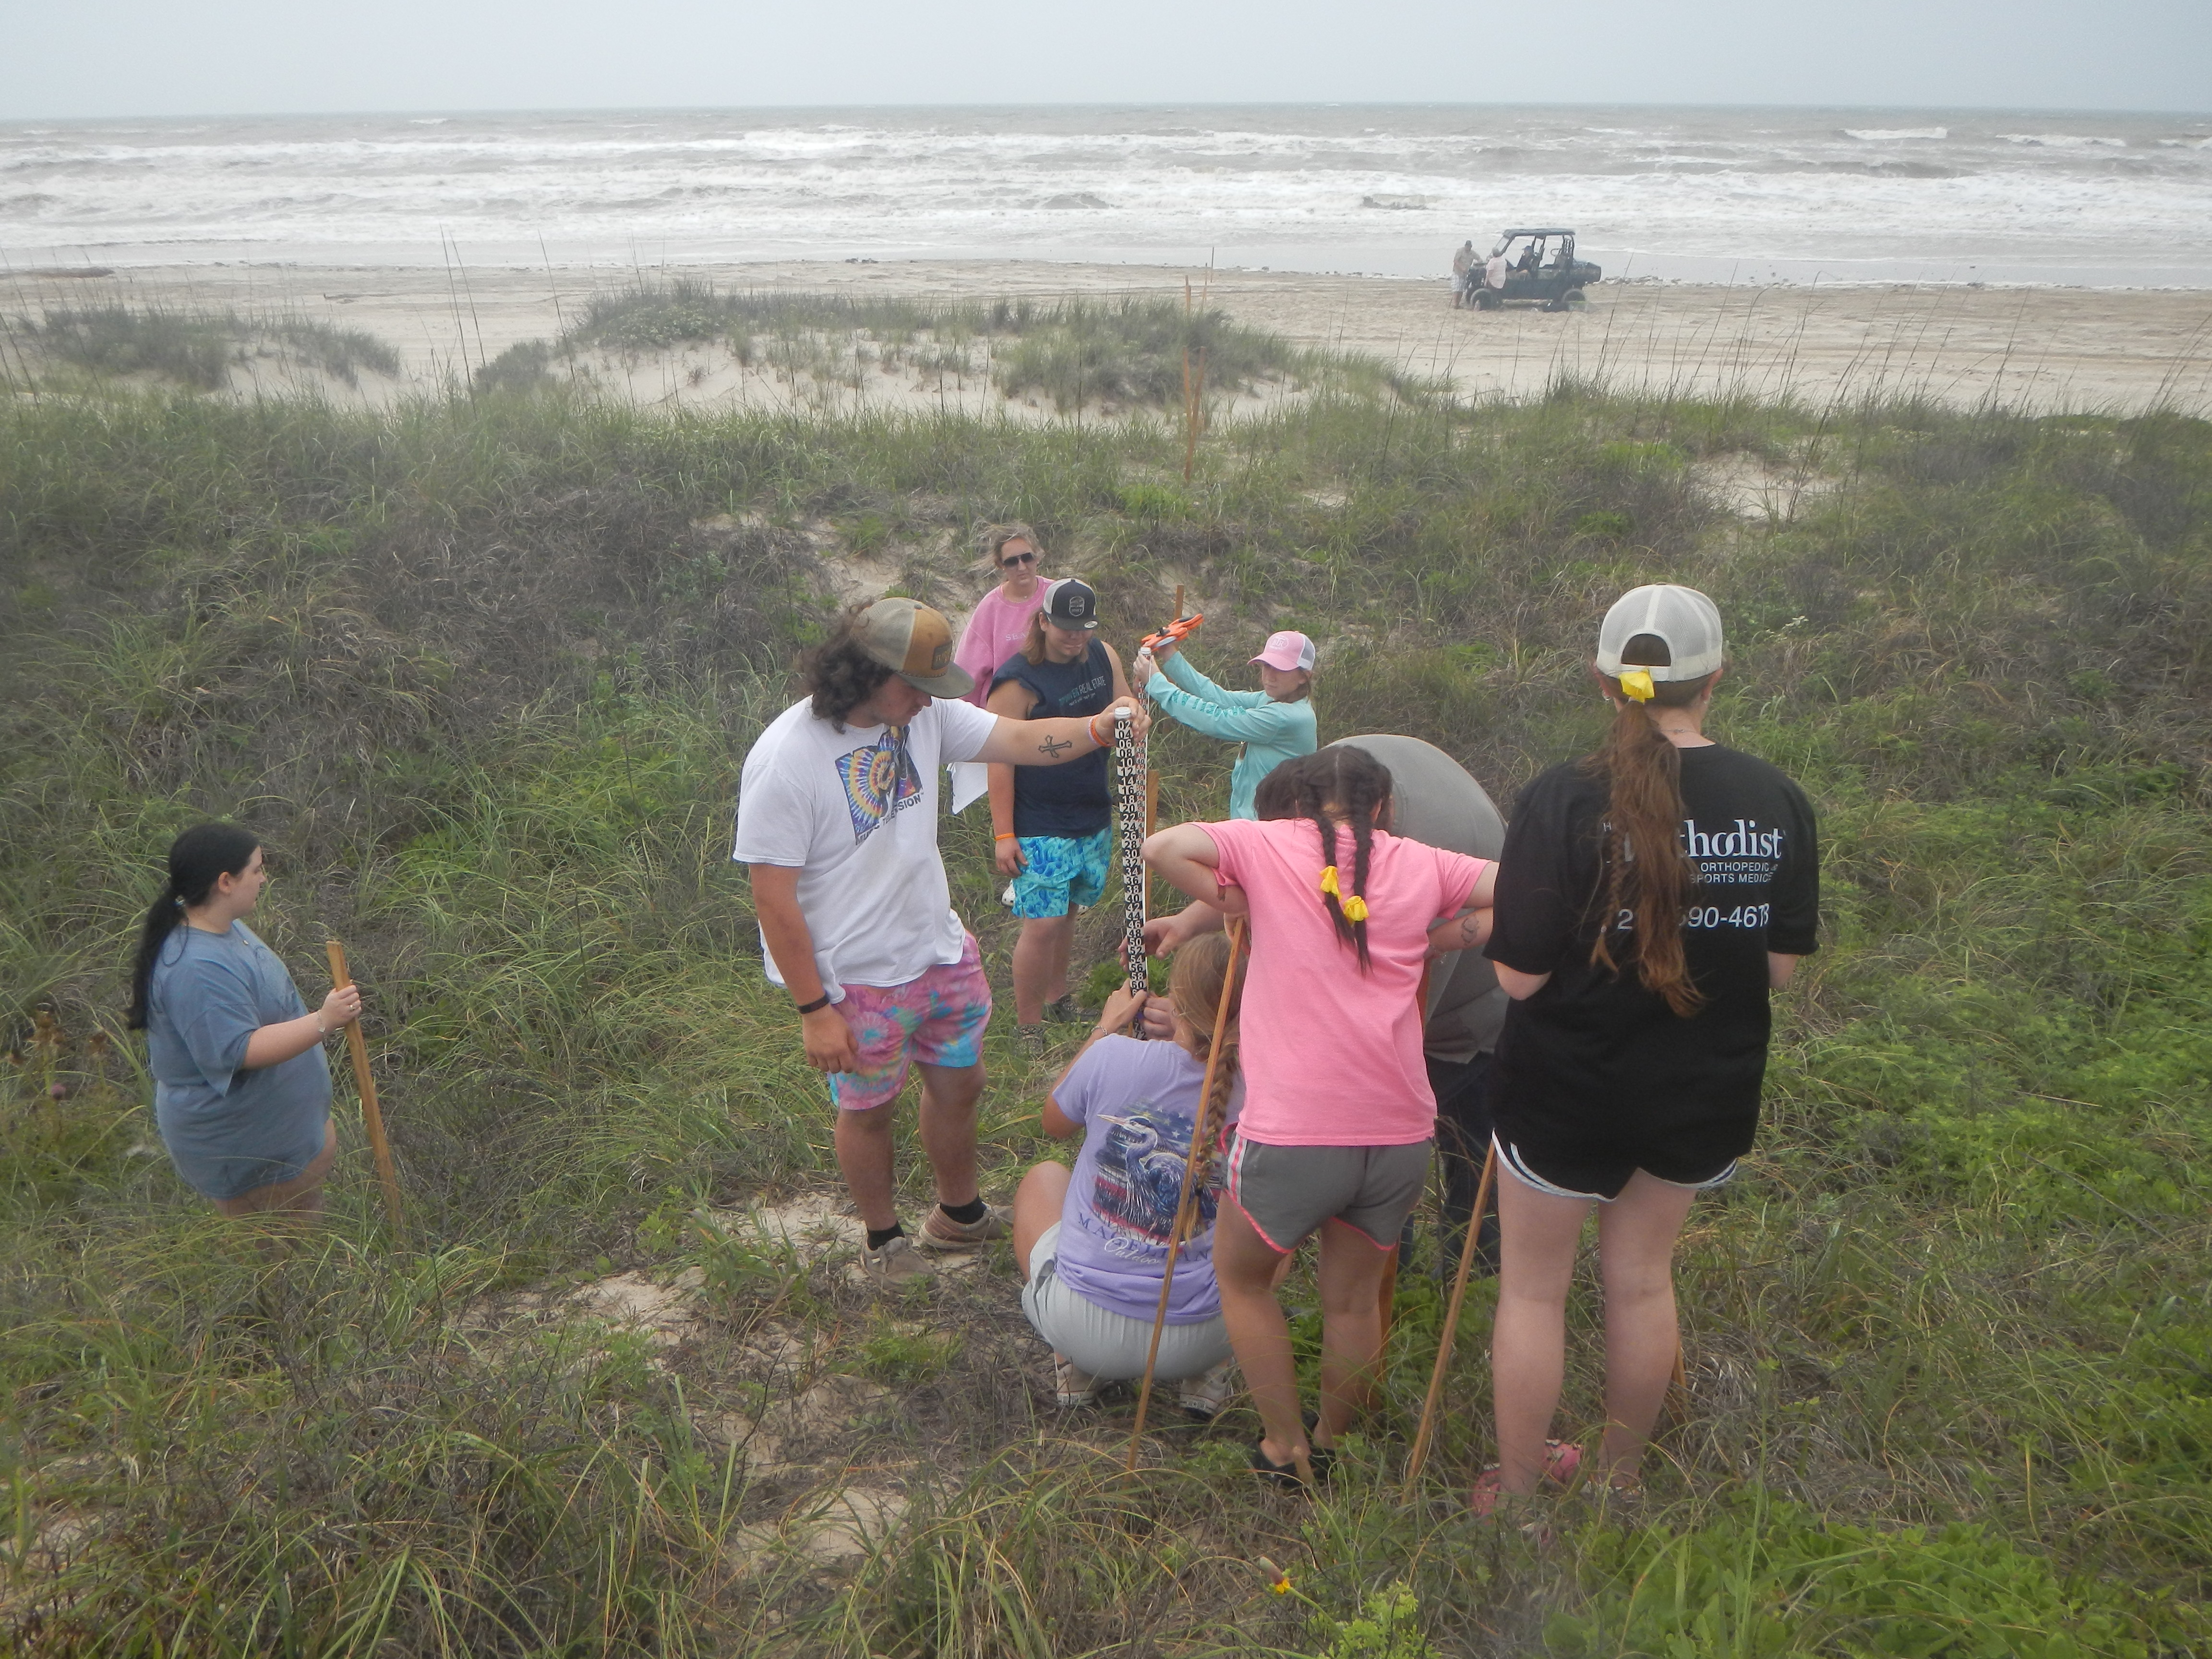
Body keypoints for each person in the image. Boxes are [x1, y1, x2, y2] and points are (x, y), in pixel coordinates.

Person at [1479, 584, 1819, 1512]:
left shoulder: (1560, 797)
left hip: (1566, 1087)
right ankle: (1620, 1482)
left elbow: (1515, 979)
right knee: (1638, 1283)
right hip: (1698, 1087)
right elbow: (1780, 969)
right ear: (1715, 678)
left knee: (1533, 1296)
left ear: (1602, 681)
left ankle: (1515, 1500)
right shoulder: (1773, 798)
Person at [734, 597, 1150, 1285]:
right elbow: (772, 898)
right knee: (869, 1111)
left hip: (936, 948)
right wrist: (814, 1010)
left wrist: (1101, 729)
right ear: (862, 674)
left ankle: (957, 1215)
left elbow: (1021, 741)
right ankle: (884, 1241)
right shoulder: (789, 757)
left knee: (962, 1084)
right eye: (914, 687)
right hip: (855, 977)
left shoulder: (922, 714)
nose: (930, 703)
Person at [1145, 746, 1496, 1488]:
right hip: (1400, 1129)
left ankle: (1282, 1445)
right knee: (1352, 1300)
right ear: (1380, 809)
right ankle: (1335, 1442)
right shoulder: (1422, 861)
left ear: (1293, 806)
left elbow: (1164, 847)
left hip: (1296, 1129)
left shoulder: (1273, 843)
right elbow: (1525, 893)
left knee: (1243, 1279)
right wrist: (1443, 936)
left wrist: (1238, 900)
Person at [1144, 734, 1512, 1270]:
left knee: (1460, 1148)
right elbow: (1280, 877)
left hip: (1470, 1012)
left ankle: (1466, 1273)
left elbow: (1374, 1017)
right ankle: (1390, 1268)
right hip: (1391, 1111)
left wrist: (1438, 940)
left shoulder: (1420, 849)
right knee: (1368, 1235)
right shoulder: (1342, 786)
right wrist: (1191, 918)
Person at [1011, 931, 1245, 1416]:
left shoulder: (1113, 1055)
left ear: (1175, 1001)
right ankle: (1208, 1371)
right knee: (1271, 1221)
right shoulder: (1265, 1087)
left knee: (1043, 1178)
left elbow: (1053, 1123)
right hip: (1208, 1331)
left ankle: (1075, 1365)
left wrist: (1104, 1028)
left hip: (1084, 1328)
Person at [126, 822, 362, 1218]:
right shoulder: (195, 967)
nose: (263, 878)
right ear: (225, 882)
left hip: (285, 1136)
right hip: (249, 1148)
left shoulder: (226, 927)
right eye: (256, 870)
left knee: (298, 1233)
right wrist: (325, 1020)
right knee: (274, 1256)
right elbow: (237, 1049)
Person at [987, 578, 1132, 1058]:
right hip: (1039, 818)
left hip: (1091, 807)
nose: (1076, 638)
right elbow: (999, 757)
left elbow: (1124, 703)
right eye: (1065, 628)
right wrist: (1004, 833)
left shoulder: (1102, 655)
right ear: (1043, 622)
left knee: (1069, 910)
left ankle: (1059, 997)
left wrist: (1135, 714)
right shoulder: (1018, 681)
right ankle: (1029, 1025)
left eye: (1084, 629)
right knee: (1042, 924)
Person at [1133, 629, 1318, 822]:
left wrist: (1156, 682)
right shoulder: (1279, 700)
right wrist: (1170, 655)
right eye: (1267, 666)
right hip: (1256, 820)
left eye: (1281, 669)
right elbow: (1220, 697)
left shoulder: (1285, 716)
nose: (1270, 676)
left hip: (1268, 827)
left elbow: (1217, 719)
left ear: (1304, 676)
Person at [952, 523, 1049, 710]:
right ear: (1000, 565)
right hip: (1006, 711)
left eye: (1027, 558)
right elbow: (968, 674)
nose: (1021, 567)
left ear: (1038, 557)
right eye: (1012, 561)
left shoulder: (1056, 594)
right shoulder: (990, 609)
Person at [1451, 239, 1477, 307]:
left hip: (1466, 273)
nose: (1468, 248)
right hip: (1458, 272)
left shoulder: (1472, 253)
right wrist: (1462, 268)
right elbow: (1456, 261)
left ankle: (1458, 304)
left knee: (1462, 289)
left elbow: (1479, 258)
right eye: (1467, 246)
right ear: (1465, 246)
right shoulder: (1460, 251)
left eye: (1470, 247)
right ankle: (1455, 304)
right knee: (1457, 289)